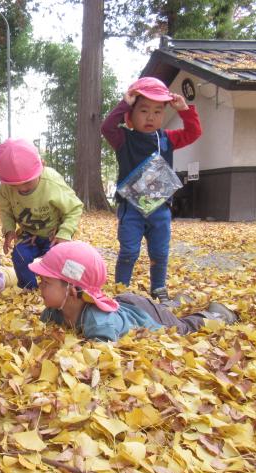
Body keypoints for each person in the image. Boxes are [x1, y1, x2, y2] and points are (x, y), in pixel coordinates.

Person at [101, 77, 202, 303]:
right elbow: (107, 127)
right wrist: (124, 104)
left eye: (157, 111)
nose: (150, 116)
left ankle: (158, 288)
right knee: (128, 251)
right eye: (143, 110)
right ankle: (122, 290)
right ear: (131, 115)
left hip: (160, 208)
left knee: (159, 252)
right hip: (131, 209)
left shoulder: (166, 139)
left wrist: (185, 111)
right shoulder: (123, 139)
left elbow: (193, 133)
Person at [30, 241, 237, 342]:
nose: (39, 287)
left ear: (72, 290)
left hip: (141, 312)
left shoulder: (99, 323)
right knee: (162, 312)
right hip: (127, 305)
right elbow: (45, 326)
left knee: (181, 328)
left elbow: (97, 357)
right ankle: (174, 303)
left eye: (45, 282)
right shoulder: (54, 311)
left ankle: (217, 314)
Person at [0, 138, 83, 289]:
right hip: (29, 235)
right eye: (15, 185)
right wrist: (9, 230)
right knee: (19, 256)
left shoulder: (52, 182)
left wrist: (65, 233)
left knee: (60, 260)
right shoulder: (5, 188)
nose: (22, 189)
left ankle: (63, 289)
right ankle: (29, 288)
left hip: (55, 234)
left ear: (41, 166)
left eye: (28, 182)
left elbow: (74, 208)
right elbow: (5, 210)